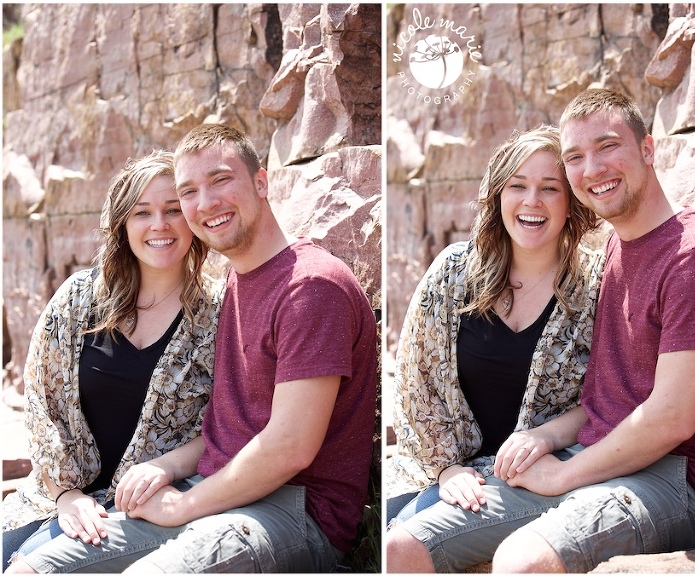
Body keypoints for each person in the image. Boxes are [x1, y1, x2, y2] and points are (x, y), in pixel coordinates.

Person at [390, 88, 695, 574]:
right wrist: (545, 440)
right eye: (575, 157)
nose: (593, 169)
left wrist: (562, 475)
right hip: (590, 455)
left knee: (522, 561)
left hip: (675, 481)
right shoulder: (617, 253)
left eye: (607, 146)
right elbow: (602, 397)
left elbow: (672, 419)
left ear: (648, 149)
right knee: (402, 547)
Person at [7, 123, 379, 573]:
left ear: (261, 182)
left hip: (291, 508)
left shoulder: (310, 286)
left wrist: (183, 504)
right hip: (208, 489)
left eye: (221, 180)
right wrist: (163, 472)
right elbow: (223, 426)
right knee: (31, 568)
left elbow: (290, 447)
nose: (205, 203)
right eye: (190, 191)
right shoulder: (240, 281)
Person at [386, 126, 603, 556]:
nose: (532, 201)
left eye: (550, 188)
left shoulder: (596, 286)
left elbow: (608, 398)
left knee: (404, 543)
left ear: (571, 202)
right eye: (517, 186)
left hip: (540, 472)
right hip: (443, 468)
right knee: (389, 530)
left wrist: (547, 438)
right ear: (498, 195)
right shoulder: (453, 273)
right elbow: (416, 383)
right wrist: (447, 471)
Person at [1, 151, 221, 570]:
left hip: (146, 507)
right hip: (54, 495)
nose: (159, 224)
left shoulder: (219, 313)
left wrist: (166, 468)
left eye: (173, 209)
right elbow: (42, 405)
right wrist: (66, 495)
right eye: (142, 212)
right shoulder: (78, 298)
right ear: (122, 223)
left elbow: (224, 425)